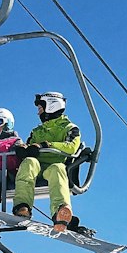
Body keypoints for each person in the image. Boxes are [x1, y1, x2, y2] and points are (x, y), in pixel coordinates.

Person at [12, 92, 82, 231]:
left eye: (40, 109)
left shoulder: (70, 128)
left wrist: (47, 145)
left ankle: (60, 212)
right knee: (29, 162)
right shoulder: (37, 131)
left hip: (54, 166)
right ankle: (22, 207)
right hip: (37, 167)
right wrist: (23, 149)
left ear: (51, 106)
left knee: (57, 168)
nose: (38, 113)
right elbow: (29, 144)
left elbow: (71, 147)